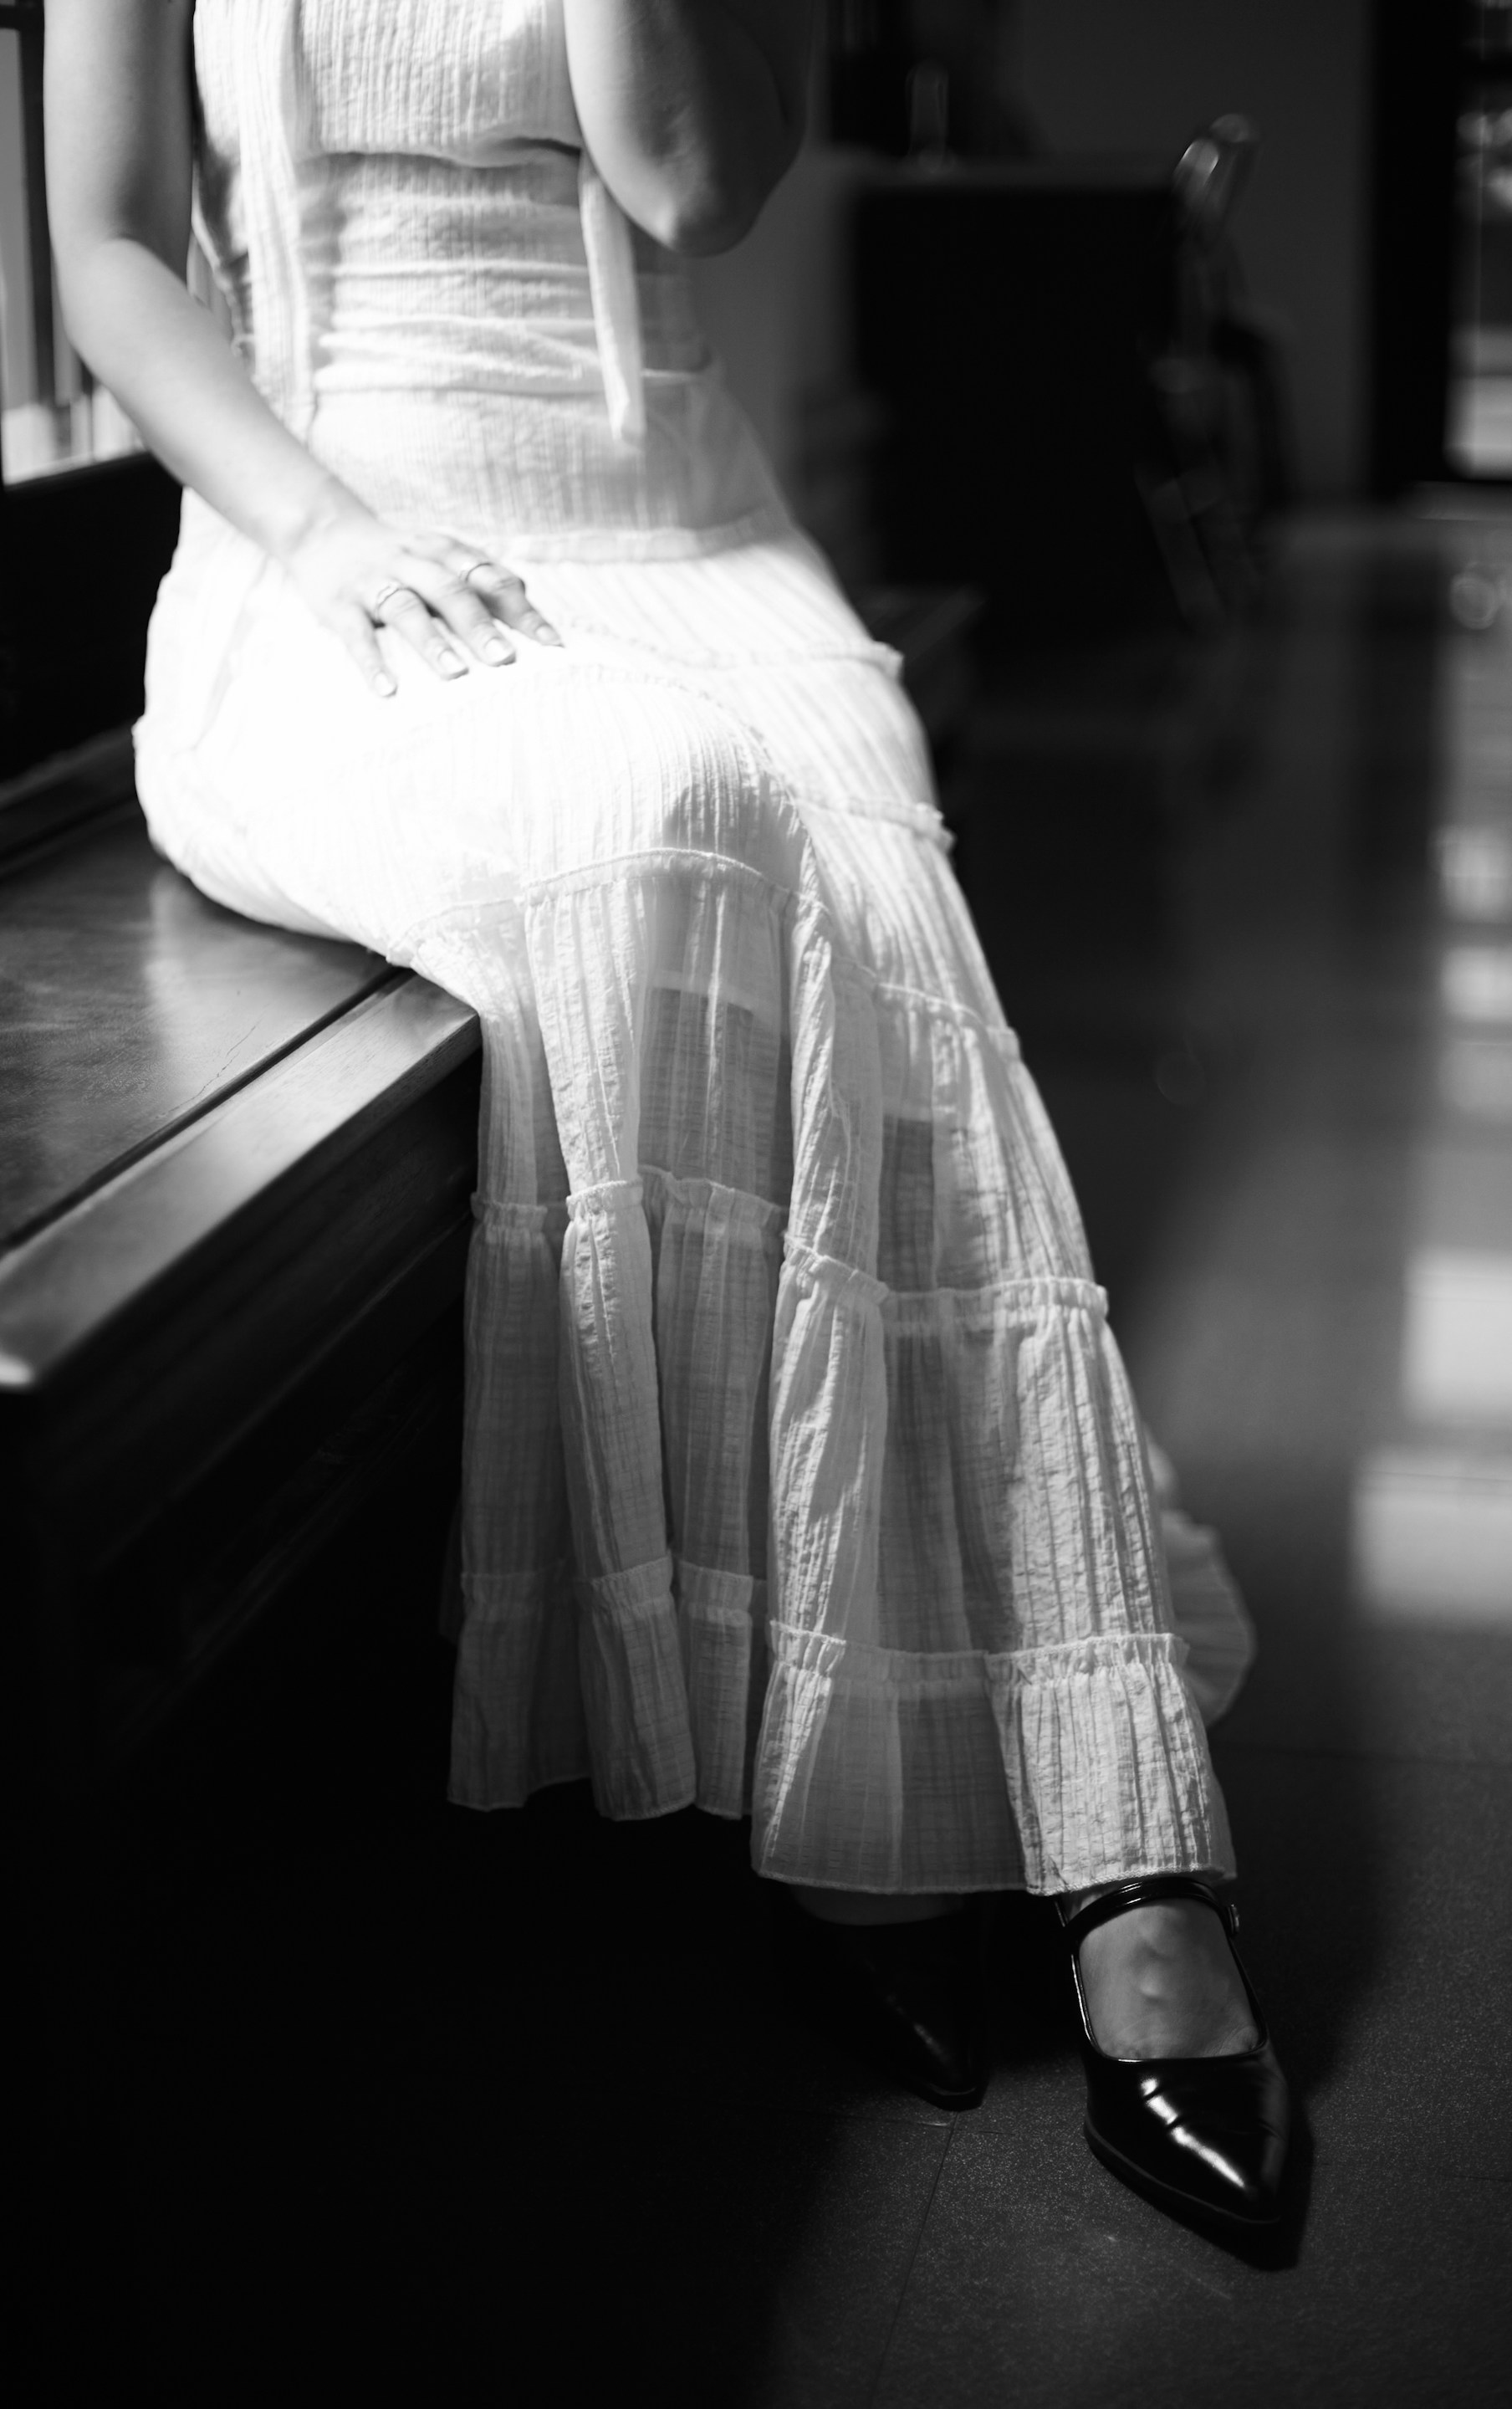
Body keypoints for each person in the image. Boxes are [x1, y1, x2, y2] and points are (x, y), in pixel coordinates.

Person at [47, 0, 1289, 2230]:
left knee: (876, 888)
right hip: (323, 560)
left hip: (689, 538)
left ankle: (1103, 1820)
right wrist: (321, 536)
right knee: (661, 819)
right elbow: (111, 256)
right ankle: (897, 1796)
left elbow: (689, 184)